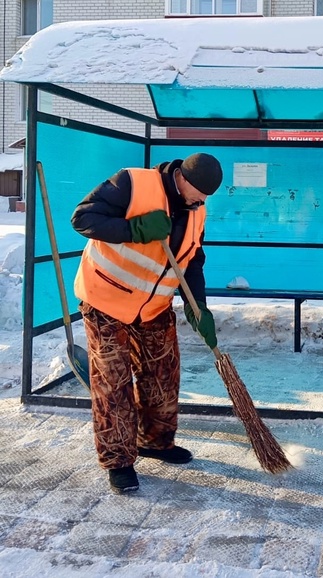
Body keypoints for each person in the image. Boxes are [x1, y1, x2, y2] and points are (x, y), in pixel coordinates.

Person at [71, 153, 223, 494]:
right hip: (106, 300)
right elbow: (82, 218)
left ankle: (155, 441)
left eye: (207, 197)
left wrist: (198, 305)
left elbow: (193, 260)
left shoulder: (197, 209)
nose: (201, 201)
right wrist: (133, 229)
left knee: (163, 374)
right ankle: (119, 461)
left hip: (153, 306)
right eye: (198, 192)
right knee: (114, 383)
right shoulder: (132, 183)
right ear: (181, 177)